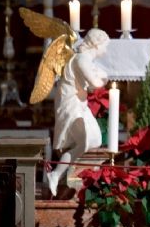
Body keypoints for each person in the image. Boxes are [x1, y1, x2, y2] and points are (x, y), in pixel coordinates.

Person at [46, 28, 110, 197]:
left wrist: (102, 76)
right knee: (84, 141)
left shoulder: (86, 60)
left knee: (95, 138)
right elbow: (96, 83)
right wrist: (104, 77)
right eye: (105, 45)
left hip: (80, 103)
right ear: (97, 44)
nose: (106, 50)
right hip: (71, 103)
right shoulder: (82, 59)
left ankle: (62, 174)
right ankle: (57, 174)